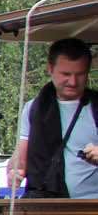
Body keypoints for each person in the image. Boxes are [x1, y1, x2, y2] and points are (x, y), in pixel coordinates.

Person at [11, 38, 98, 198]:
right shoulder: (33, 108)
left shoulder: (95, 107)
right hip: (47, 207)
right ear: (50, 68)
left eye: (80, 74)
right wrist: (14, 171)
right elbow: (20, 160)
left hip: (92, 207)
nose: (72, 81)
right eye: (66, 74)